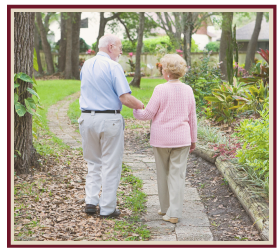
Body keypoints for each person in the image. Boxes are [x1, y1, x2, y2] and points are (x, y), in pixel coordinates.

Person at [78, 34, 144, 218]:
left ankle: (91, 201)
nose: (121, 51)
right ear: (111, 47)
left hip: (86, 119)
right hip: (108, 120)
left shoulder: (86, 65)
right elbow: (124, 97)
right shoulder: (113, 66)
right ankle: (107, 209)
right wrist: (142, 105)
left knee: (93, 162)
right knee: (111, 165)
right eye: (120, 47)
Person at [133, 54, 197, 224]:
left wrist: (136, 109)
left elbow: (148, 114)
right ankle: (173, 212)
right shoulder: (188, 89)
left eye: (162, 68)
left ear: (166, 71)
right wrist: (193, 139)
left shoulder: (160, 89)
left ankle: (165, 207)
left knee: (162, 173)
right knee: (178, 175)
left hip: (161, 139)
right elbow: (192, 118)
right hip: (182, 139)